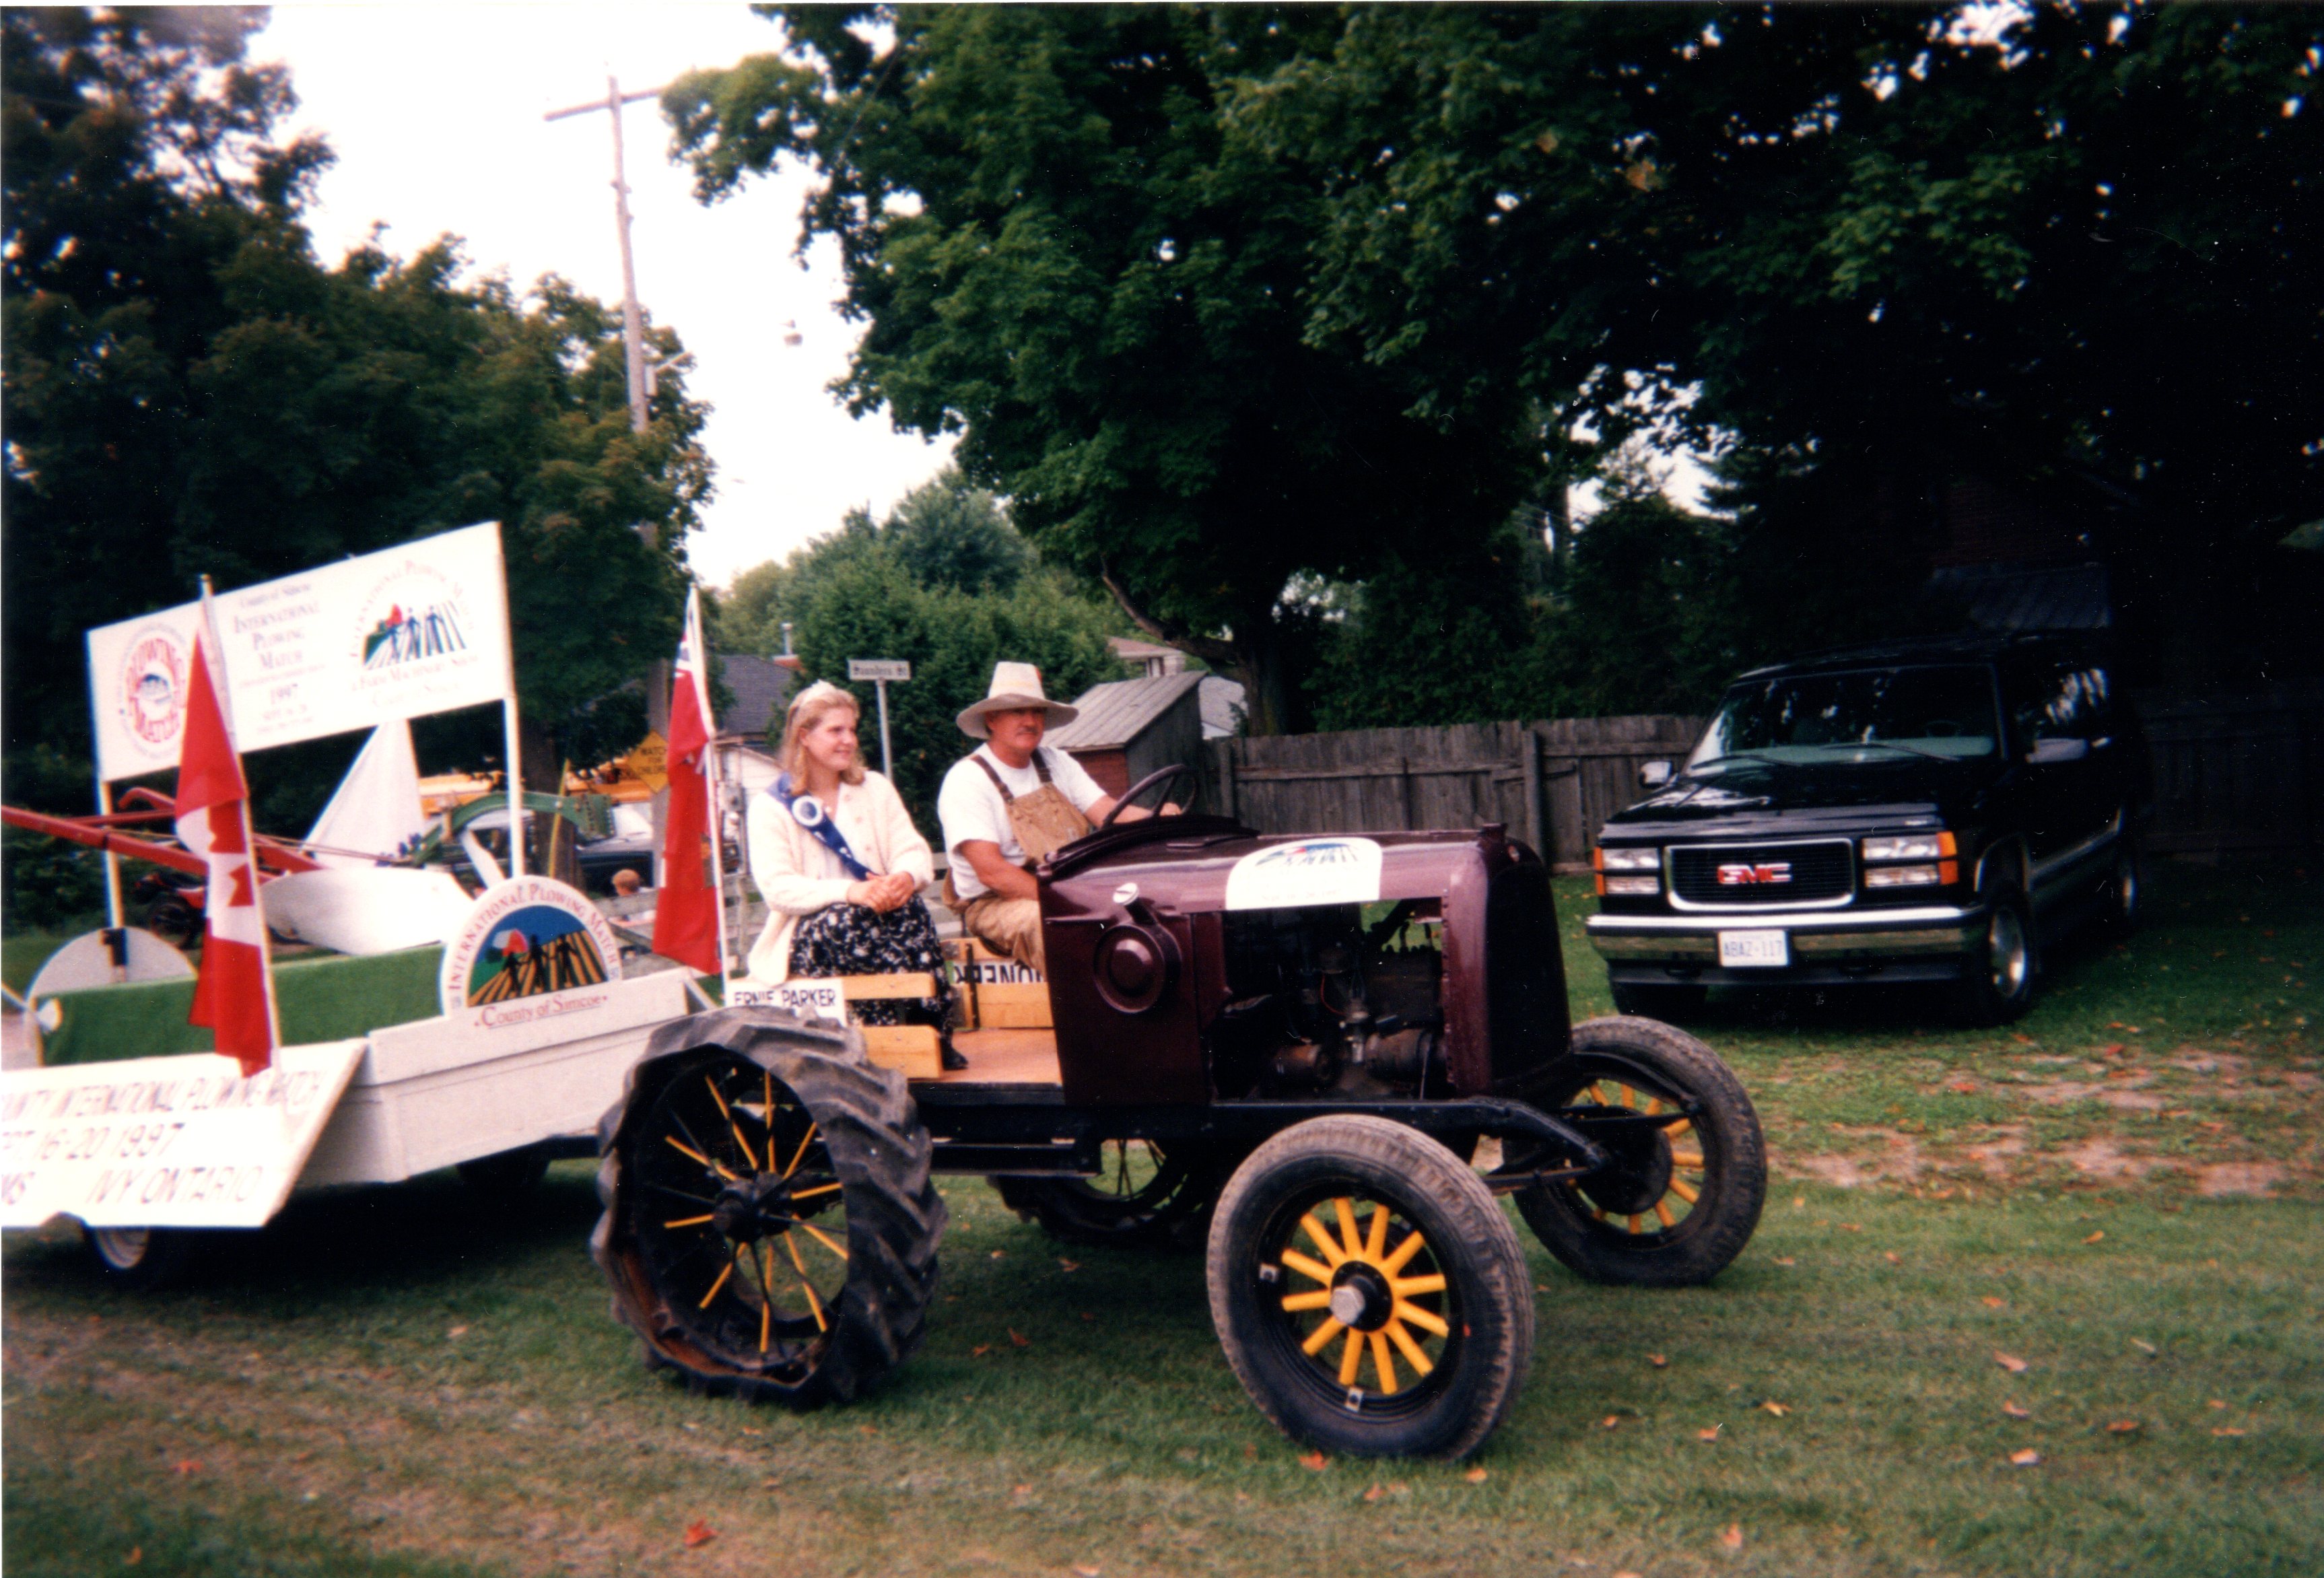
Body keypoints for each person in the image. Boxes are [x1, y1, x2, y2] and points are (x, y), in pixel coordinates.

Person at [936, 661, 1177, 975]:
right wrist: (1069, 901)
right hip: (996, 903)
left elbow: (1107, 811)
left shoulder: (1057, 762)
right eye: (1018, 711)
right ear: (992, 719)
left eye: (1037, 712)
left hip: (1067, 886)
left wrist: (1158, 816)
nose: (1030, 721)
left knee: (1152, 903)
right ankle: (1092, 1001)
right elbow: (992, 873)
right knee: (1054, 927)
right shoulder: (967, 780)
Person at [745, 681, 950, 1038]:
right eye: (836, 731)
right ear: (804, 736)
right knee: (849, 920)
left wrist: (903, 877)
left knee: (912, 909)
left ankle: (932, 1035)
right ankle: (878, 1039)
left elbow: (912, 850)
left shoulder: (874, 788)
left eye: (852, 730)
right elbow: (778, 889)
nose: (849, 740)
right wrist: (850, 892)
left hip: (879, 915)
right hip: (809, 933)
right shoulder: (770, 806)